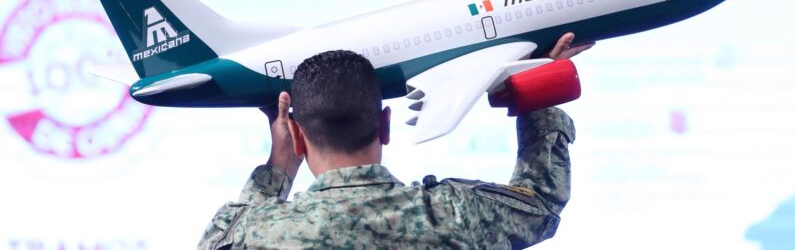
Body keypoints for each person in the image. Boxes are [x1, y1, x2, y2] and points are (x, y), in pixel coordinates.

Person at [198, 33, 592, 250]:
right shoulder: (453, 214)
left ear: (299, 137)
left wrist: (278, 168)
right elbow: (540, 204)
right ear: (386, 125)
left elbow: (216, 242)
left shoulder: (261, 232)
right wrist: (539, 91)